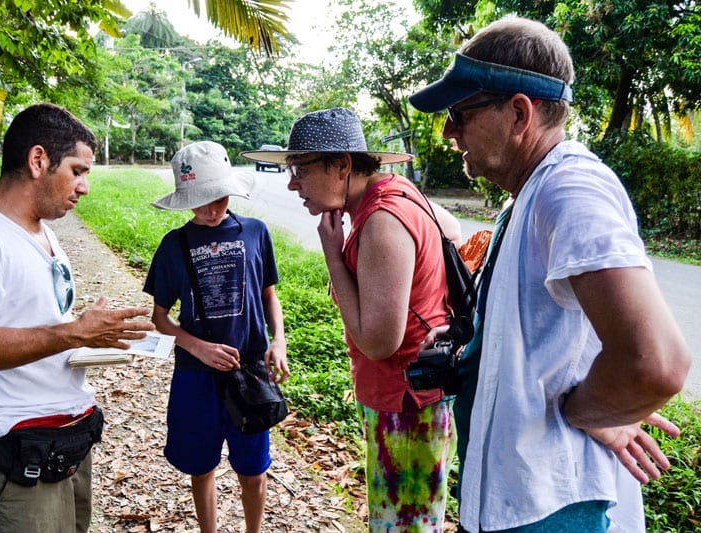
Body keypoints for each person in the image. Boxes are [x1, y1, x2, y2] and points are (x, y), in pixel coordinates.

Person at [409, 17, 692, 532]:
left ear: (519, 113)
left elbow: (656, 363)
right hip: (516, 497)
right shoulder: (529, 196)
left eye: (460, 113)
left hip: (550, 507)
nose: (450, 131)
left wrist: (588, 412)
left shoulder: (570, 188)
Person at [0, 103, 155, 532]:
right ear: (38, 161)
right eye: (78, 170)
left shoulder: (42, 230)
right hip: (15, 448)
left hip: (67, 436)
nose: (84, 186)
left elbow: (41, 323)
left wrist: (89, 333)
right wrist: (71, 332)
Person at [242, 107, 463, 532]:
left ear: (342, 165)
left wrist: (332, 249)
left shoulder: (381, 220)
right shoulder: (399, 191)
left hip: (407, 405)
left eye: (300, 169)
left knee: (402, 525)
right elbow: (450, 231)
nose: (292, 184)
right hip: (417, 397)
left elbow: (378, 343)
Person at [143, 140, 289, 533]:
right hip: (195, 376)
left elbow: (269, 295)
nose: (211, 209)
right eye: (201, 200)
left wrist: (279, 341)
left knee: (253, 470)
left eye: (219, 198)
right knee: (201, 466)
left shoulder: (255, 232)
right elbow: (159, 318)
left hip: (249, 372)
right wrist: (196, 346)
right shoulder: (174, 245)